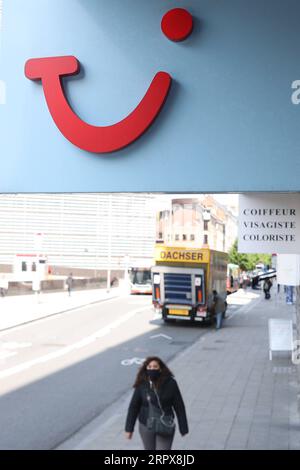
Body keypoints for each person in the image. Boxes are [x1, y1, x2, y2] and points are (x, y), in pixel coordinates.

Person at [125, 356, 188, 450]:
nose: (152, 369)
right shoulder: (142, 384)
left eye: (155, 367)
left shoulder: (170, 383)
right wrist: (129, 428)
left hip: (164, 424)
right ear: (145, 368)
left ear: (160, 369)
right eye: (149, 367)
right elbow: (134, 406)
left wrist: (183, 427)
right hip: (146, 425)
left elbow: (179, 406)